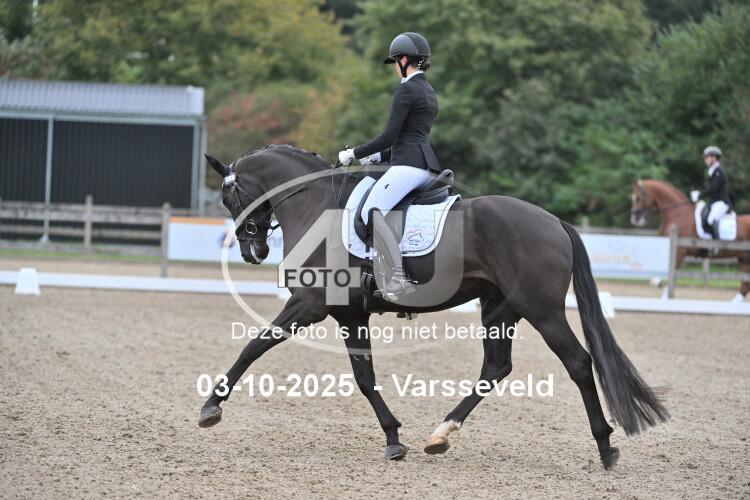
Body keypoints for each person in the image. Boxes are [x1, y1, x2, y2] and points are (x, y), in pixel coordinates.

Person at [338, 32, 440, 299]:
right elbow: (410, 136)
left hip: (408, 166)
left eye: (395, 61)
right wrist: (377, 157)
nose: (395, 67)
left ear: (404, 60)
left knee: (371, 211)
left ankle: (395, 279)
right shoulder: (428, 90)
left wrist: (354, 153)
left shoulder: (407, 89)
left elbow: (389, 135)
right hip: (423, 165)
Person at [691, 145, 732, 239]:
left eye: (707, 157)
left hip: (722, 202)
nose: (705, 160)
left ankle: (717, 243)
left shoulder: (718, 172)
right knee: (704, 217)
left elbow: (713, 188)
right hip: (714, 202)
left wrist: (699, 195)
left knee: (711, 219)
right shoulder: (712, 171)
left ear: (714, 158)